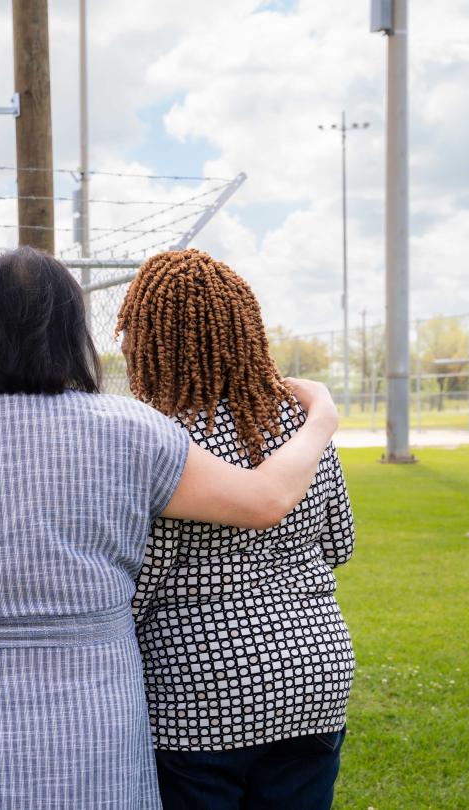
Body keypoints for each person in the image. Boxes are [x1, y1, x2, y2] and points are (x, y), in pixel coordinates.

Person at [0, 247, 341, 809]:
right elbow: (267, 499)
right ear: (72, 332)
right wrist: (319, 420)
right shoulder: (133, 431)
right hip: (94, 733)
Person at [119, 248, 355, 810]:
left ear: (155, 337)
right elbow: (340, 541)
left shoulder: (165, 438)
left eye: (130, 327)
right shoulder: (301, 425)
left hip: (199, 692)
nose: (123, 341)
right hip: (315, 671)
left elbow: (141, 585)